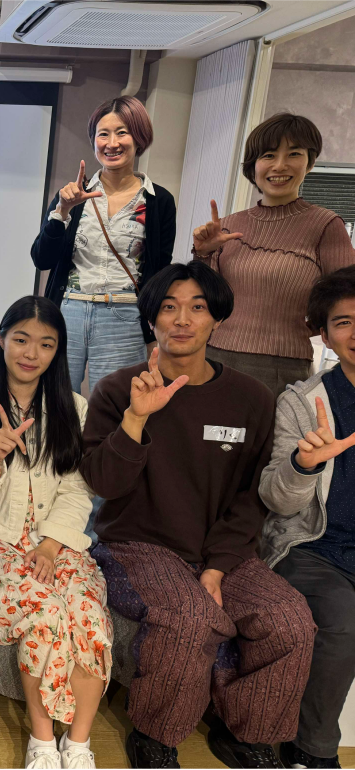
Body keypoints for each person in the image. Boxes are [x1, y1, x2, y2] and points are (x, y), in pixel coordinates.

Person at [81, 260, 315, 769]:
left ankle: (247, 735)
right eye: (169, 307)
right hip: (136, 547)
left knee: (290, 620)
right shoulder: (118, 389)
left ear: (217, 319)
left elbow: (251, 496)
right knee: (189, 618)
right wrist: (136, 419)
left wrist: (217, 567)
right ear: (152, 319)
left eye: (198, 307)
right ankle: (155, 736)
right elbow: (103, 484)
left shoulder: (251, 398)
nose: (182, 319)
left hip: (224, 550)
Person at [0, 296, 110, 770]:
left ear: (57, 351)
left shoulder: (74, 407)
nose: (31, 353)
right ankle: (42, 742)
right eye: (21, 339)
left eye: (46, 344)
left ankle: (78, 744)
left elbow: (78, 488)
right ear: (1, 339)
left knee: (87, 613)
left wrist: (50, 544)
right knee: (45, 612)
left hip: (56, 541)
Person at [260, 266, 355, 770]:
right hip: (313, 547)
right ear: (325, 334)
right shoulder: (302, 402)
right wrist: (304, 465)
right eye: (344, 322)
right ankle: (312, 752)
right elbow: (278, 502)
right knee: (342, 621)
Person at [193, 112, 355, 397]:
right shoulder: (228, 225)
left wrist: (310, 329)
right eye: (268, 155)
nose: (280, 165)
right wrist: (203, 254)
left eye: (294, 153)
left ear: (310, 162)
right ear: (253, 165)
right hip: (214, 357)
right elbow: (205, 300)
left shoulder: (325, 225)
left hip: (282, 367)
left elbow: (347, 296)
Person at [30, 95, 177, 394]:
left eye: (122, 132)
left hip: (124, 316)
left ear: (139, 137)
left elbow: (159, 272)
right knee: (56, 401)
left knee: (112, 405)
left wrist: (154, 328)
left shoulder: (158, 201)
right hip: (68, 311)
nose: (112, 143)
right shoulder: (72, 195)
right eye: (103, 134)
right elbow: (41, 259)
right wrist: (62, 212)